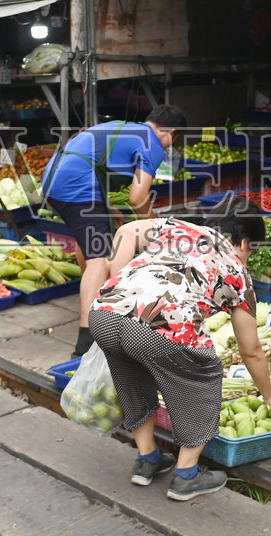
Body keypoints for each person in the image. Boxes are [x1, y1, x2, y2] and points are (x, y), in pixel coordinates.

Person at [89, 199, 271, 501]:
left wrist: (121, 287)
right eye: (252, 251)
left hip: (102, 313)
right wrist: (270, 394)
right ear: (245, 242)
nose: (248, 257)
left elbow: (127, 231)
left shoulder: (180, 228)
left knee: (132, 377)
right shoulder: (236, 269)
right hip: (158, 325)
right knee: (206, 373)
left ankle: (148, 460)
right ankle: (186, 475)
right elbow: (251, 350)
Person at [42, 105, 186, 356]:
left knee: (87, 241)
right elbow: (137, 198)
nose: (168, 147)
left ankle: (95, 302)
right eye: (172, 141)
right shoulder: (151, 144)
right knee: (99, 259)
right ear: (170, 133)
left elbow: (92, 160)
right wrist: (158, 228)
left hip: (53, 179)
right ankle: (87, 340)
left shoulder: (125, 128)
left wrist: (107, 208)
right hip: (77, 186)